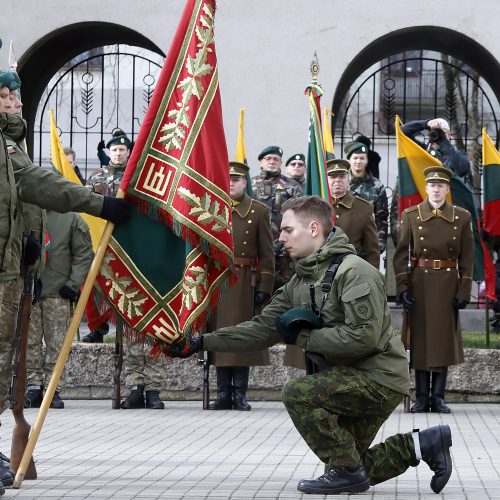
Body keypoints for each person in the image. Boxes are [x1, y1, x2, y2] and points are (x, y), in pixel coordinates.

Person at [173, 195, 454, 496]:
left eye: (287, 230)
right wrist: (201, 342)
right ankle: (424, 444)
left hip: (378, 378)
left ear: (314, 228)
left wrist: (304, 339)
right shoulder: (301, 280)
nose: (280, 238)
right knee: (354, 469)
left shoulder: (354, 272)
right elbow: (262, 328)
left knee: (298, 395)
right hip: (351, 376)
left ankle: (347, 470)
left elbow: (364, 338)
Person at [0, 68, 129, 492]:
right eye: (3, 97)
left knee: (6, 362)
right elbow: (38, 184)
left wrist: (29, 247)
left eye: (14, 97)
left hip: (14, 272)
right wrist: (98, 202)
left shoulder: (10, 145)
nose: (12, 104)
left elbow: (22, 202)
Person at [393, 166, 474, 413]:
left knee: (441, 340)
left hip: (448, 283)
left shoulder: (461, 217)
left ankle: (438, 397)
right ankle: (421, 397)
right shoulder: (411, 215)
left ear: (447, 189)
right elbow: (400, 255)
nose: (436, 190)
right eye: (432, 185)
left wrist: (463, 291)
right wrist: (403, 287)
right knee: (419, 339)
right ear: (425, 188)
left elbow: (468, 258)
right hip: (420, 282)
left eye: (441, 186)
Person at [208, 161, 274, 411]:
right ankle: (223, 392)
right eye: (228, 179)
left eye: (236, 179)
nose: (232, 183)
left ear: (245, 183)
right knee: (220, 336)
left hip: (245, 280)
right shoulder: (212, 209)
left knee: (242, 337)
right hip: (219, 279)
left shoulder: (259, 211)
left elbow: (268, 254)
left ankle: (239, 393)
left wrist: (265, 286)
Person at [25, 210, 93, 409]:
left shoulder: (70, 218)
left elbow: (84, 253)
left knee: (58, 345)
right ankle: (34, 386)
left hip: (58, 293)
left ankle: (53, 388)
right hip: (29, 291)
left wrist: (73, 284)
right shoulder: (26, 212)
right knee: (29, 343)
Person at [82, 129, 132, 343]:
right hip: (99, 239)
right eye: (114, 150)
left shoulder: (135, 177)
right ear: (108, 152)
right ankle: (97, 327)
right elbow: (84, 204)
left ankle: (130, 330)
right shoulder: (96, 176)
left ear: (129, 152)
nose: (118, 153)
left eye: (122, 149)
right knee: (90, 283)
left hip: (127, 241)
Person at [251, 146, 302, 290]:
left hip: (284, 249)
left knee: (285, 290)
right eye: (268, 159)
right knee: (258, 291)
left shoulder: (292, 186)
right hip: (258, 249)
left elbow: (299, 217)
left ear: (281, 163)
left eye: (276, 159)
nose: (272, 161)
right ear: (261, 162)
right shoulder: (250, 185)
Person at [327, 158, 380, 268]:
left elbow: (372, 251)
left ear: (348, 181)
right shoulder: (316, 207)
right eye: (332, 176)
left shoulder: (364, 209)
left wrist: (370, 280)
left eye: (342, 176)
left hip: (351, 272)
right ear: (325, 180)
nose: (337, 180)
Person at [344, 141, 388, 254]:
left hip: (368, 244)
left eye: (362, 158)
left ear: (367, 161)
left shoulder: (377, 185)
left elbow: (381, 217)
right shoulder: (341, 183)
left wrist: (381, 242)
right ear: (349, 160)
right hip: (343, 243)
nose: (359, 161)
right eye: (355, 158)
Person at [401, 118, 471, 179]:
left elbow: (462, 170)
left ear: (449, 135)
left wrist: (444, 142)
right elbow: (401, 132)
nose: (438, 136)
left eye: (441, 133)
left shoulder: (457, 155)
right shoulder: (422, 150)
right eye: (434, 133)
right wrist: (426, 123)